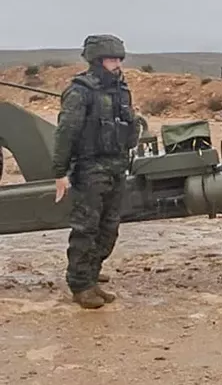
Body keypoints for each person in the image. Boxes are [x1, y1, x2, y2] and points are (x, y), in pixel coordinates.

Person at [52, 34, 139, 309]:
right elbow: (66, 133)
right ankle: (80, 285)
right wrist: (60, 172)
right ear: (97, 60)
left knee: (109, 227)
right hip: (90, 169)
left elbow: (130, 125)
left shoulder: (121, 90)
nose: (115, 64)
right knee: (86, 228)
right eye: (110, 59)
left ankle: (91, 274)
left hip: (116, 167)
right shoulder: (80, 91)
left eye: (118, 59)